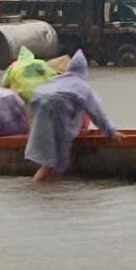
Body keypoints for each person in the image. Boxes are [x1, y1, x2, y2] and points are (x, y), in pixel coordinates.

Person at [25, 50, 122, 183]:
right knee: (53, 161)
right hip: (56, 112)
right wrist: (111, 132)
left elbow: (35, 98)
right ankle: (37, 187)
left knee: (49, 157)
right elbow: (96, 111)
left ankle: (47, 190)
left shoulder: (55, 80)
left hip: (39, 107)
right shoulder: (81, 86)